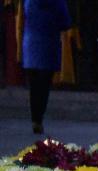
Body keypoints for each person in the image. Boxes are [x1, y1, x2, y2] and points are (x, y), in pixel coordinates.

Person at [22, 0, 71, 134]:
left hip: (31, 45)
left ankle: (34, 118)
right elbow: (65, 23)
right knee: (44, 86)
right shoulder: (58, 2)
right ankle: (39, 119)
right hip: (48, 45)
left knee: (34, 85)